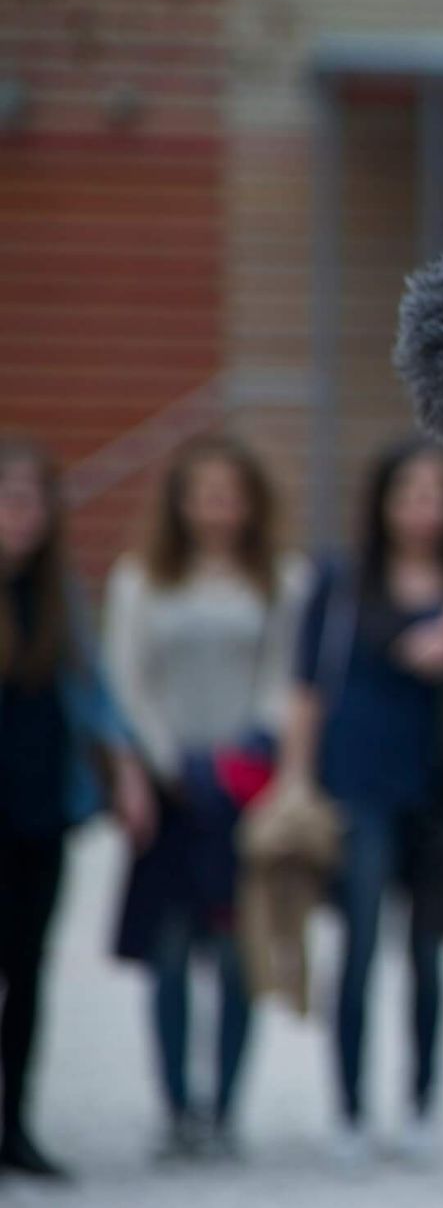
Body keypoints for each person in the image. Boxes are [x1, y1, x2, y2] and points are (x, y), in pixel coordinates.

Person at [276, 439, 443, 1167]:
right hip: (357, 785)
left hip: (441, 790)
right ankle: (349, 1108)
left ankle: (423, 1104)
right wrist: (295, 777)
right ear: (383, 500)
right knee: (360, 950)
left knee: (429, 957)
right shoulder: (339, 581)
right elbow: (305, 690)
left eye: (438, 492)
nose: (425, 506)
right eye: (411, 491)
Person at [103, 433, 308, 1161]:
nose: (217, 507)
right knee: (167, 951)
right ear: (180, 501)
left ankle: (223, 1108)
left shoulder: (282, 580)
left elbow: (285, 678)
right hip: (168, 791)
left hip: (240, 789)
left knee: (232, 952)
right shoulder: (139, 580)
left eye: (230, 492)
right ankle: (176, 1108)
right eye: (204, 492)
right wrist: (164, 763)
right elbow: (126, 682)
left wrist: (243, 755)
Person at [0, 436, 154, 1181]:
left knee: (27, 972)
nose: (20, 516)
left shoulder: (58, 592)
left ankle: (16, 1122)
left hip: (40, 807)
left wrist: (124, 767)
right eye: (9, 499)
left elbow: (91, 690)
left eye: (32, 500)